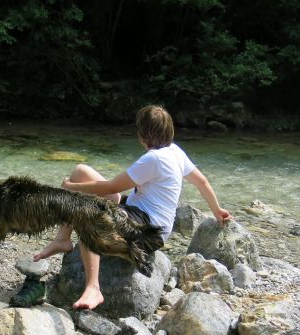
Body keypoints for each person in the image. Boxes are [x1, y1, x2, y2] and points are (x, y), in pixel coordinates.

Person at [33, 105, 233, 310]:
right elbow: (202, 182)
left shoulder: (152, 159)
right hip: (138, 211)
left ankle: (93, 287)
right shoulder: (175, 152)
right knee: (81, 171)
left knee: (88, 215)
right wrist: (217, 210)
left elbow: (112, 186)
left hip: (147, 230)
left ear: (142, 135)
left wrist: (70, 188)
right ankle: (63, 239)